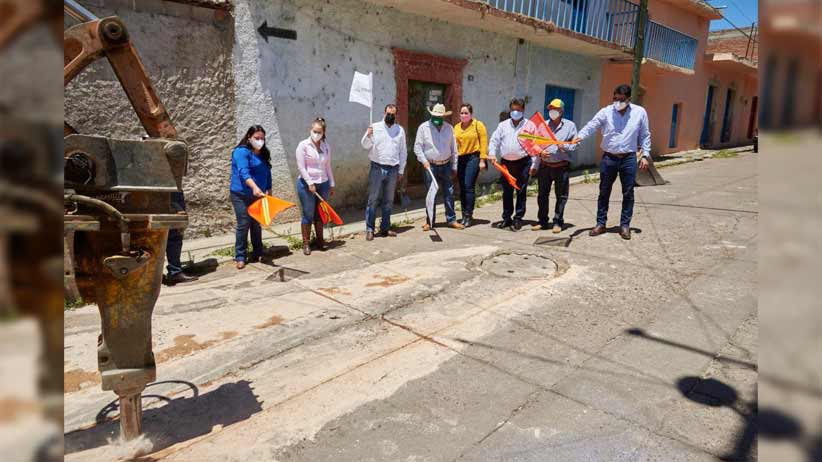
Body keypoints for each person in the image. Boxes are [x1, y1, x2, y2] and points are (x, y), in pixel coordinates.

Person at [573, 84, 651, 240]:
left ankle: (625, 225)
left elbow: (645, 134)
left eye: (621, 99)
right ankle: (600, 223)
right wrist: (579, 137)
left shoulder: (639, 112)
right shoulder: (606, 112)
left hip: (629, 158)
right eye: (615, 98)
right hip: (609, 158)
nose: (617, 102)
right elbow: (592, 125)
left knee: (628, 193)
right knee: (604, 191)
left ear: (629, 99)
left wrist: (645, 155)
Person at [488, 97, 537, 230]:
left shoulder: (530, 126)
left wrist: (534, 164)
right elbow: (494, 140)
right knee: (507, 192)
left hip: (523, 163)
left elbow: (534, 145)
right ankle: (507, 218)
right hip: (506, 164)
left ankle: (518, 218)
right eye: (513, 110)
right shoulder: (503, 125)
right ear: (510, 110)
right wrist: (492, 153)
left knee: (521, 191)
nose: (515, 112)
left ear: (523, 110)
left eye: (518, 110)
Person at [413, 103, 464, 230]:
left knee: (449, 192)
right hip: (430, 166)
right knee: (431, 194)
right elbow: (417, 147)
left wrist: (454, 166)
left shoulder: (449, 128)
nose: (437, 118)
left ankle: (451, 220)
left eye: (440, 116)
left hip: (446, 165)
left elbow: (454, 149)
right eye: (435, 116)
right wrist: (424, 161)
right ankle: (430, 222)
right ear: (432, 115)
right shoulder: (423, 128)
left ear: (443, 116)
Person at [531, 98, 577, 233]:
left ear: (561, 111)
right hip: (545, 166)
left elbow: (575, 144)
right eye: (551, 109)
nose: (552, 111)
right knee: (542, 195)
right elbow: (535, 144)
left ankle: (558, 221)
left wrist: (565, 146)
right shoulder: (543, 126)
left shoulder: (570, 126)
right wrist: (540, 153)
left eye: (555, 109)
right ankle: (542, 221)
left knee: (561, 196)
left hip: (561, 166)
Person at [361, 104, 407, 241]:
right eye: (388, 113)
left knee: (388, 200)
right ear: (384, 113)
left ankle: (385, 228)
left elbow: (403, 151)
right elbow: (364, 145)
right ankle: (370, 229)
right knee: (373, 199)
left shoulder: (400, 130)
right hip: (377, 167)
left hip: (393, 169)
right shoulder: (375, 127)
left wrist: (401, 170)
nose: (390, 116)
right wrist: (369, 135)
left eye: (393, 114)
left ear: (396, 115)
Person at [230, 125, 272, 269]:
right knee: (244, 223)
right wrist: (254, 187)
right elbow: (243, 172)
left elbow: (267, 173)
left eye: (262, 138)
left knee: (256, 224)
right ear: (249, 137)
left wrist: (269, 190)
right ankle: (240, 256)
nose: (260, 141)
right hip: (240, 194)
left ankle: (258, 252)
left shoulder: (263, 153)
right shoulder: (241, 152)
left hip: (259, 194)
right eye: (256, 138)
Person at [296, 117, 335, 255]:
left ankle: (320, 241)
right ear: (310, 130)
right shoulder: (303, 145)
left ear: (324, 133)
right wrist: (310, 183)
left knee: (319, 213)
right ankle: (306, 243)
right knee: (308, 214)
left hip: (323, 183)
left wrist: (332, 183)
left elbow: (328, 166)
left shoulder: (326, 146)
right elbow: (301, 167)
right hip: (306, 185)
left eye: (319, 132)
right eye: (314, 131)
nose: (316, 134)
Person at [453, 103, 488, 227]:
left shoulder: (478, 125)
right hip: (460, 158)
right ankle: (463, 214)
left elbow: (484, 142)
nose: (463, 115)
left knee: (468, 186)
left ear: (471, 114)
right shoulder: (456, 127)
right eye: (461, 113)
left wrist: (482, 160)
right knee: (462, 187)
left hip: (473, 157)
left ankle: (468, 215)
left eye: (466, 113)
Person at [163, 191, 198, 285]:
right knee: (175, 233)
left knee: (173, 234)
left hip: (171, 192)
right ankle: (174, 271)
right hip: (171, 192)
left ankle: (172, 271)